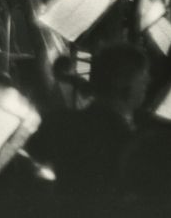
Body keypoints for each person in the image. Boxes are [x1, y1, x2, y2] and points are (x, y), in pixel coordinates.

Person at [28, 43, 150, 218]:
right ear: (121, 82)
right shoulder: (132, 143)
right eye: (142, 77)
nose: (147, 82)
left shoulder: (59, 122)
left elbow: (35, 152)